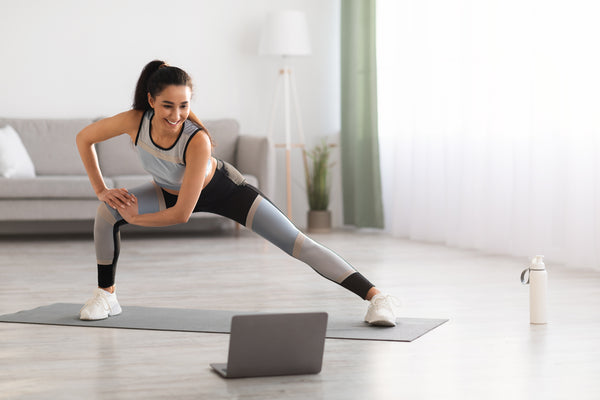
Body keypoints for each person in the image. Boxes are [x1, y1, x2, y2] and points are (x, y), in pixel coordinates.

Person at [76, 60, 398, 326]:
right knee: (107, 212)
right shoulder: (135, 121)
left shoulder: (196, 140)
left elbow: (181, 215)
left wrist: (135, 219)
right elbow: (84, 138)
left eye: (184, 106)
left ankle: (378, 298)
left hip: (225, 190)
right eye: (167, 106)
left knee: (297, 243)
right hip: (169, 191)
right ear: (151, 101)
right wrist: (101, 190)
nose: (176, 116)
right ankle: (107, 295)